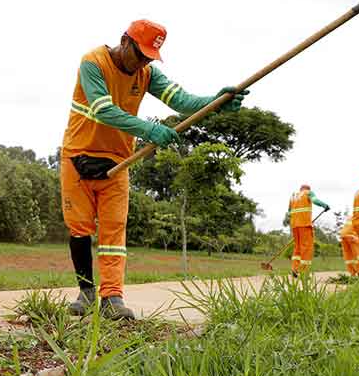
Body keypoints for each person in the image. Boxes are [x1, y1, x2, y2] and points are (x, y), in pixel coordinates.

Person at [60, 20, 247, 319]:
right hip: (78, 157)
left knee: (113, 233)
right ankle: (85, 291)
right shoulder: (92, 63)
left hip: (119, 161)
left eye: (150, 57)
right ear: (124, 41)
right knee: (80, 228)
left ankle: (112, 298)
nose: (143, 62)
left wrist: (215, 102)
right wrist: (149, 130)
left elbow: (182, 101)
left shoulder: (147, 73)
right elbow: (102, 109)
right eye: (140, 54)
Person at [282, 184, 329, 276]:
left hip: (294, 225)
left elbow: (289, 211)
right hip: (304, 224)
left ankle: (295, 268)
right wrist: (324, 205)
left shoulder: (293, 196)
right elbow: (315, 200)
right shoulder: (308, 193)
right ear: (308, 189)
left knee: (297, 247)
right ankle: (304, 271)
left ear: (300, 189)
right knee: (306, 247)